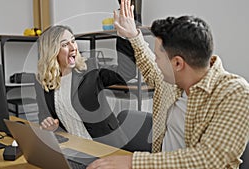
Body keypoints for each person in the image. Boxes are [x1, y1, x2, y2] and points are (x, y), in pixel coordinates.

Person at [87, 0, 249, 168]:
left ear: (178, 64)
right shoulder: (172, 82)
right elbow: (149, 66)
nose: (155, 61)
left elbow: (209, 158)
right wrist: (133, 35)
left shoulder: (235, 93)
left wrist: (132, 162)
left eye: (158, 57)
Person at [34, 25, 136, 148]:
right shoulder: (42, 82)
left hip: (106, 147)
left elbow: (126, 73)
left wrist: (123, 35)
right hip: (72, 148)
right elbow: (44, 115)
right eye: (65, 44)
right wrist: (49, 125)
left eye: (73, 41)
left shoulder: (90, 68)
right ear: (51, 51)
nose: (73, 48)